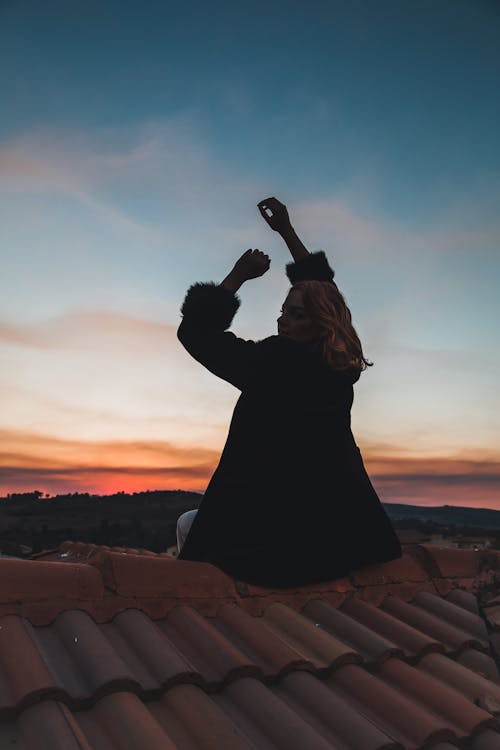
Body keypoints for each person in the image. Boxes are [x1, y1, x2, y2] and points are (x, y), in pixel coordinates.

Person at [176, 197, 402, 586]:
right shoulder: (341, 364)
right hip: (339, 531)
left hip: (277, 541)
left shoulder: (276, 361)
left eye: (296, 314)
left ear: (320, 324)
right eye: (284, 310)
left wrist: (238, 275)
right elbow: (324, 291)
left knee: (188, 529)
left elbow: (195, 333)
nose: (282, 318)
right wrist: (286, 230)